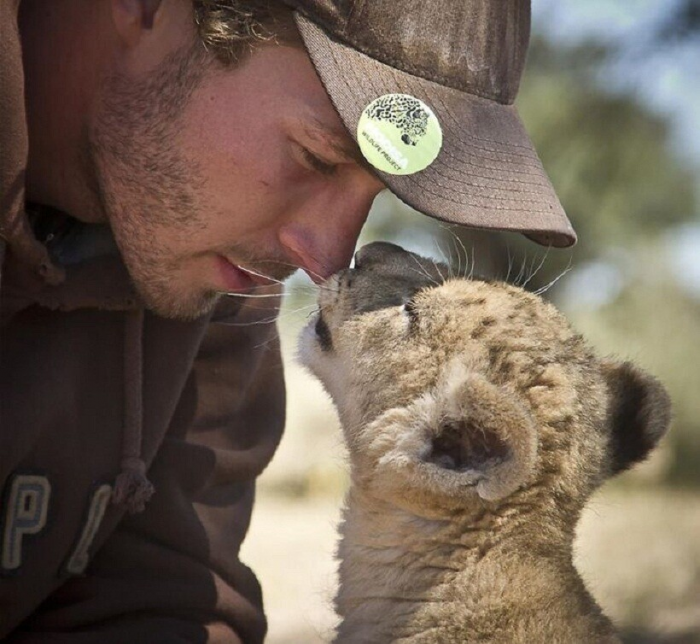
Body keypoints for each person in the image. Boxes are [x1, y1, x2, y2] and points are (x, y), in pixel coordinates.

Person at [0, 0, 576, 641]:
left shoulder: (211, 280)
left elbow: (154, 607)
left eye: (379, 193)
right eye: (318, 158)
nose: (328, 260)